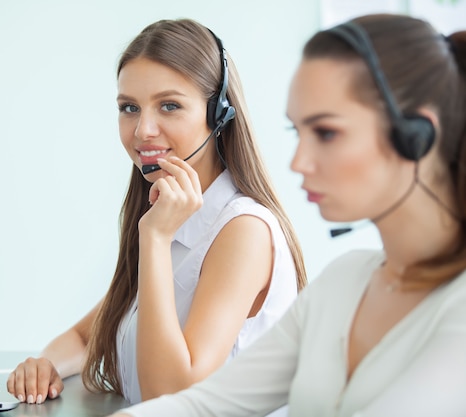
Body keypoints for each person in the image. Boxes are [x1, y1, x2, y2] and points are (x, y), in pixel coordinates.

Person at [108, 13, 466, 417]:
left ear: (417, 136)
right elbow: (197, 405)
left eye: (326, 132)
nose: (298, 162)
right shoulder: (344, 282)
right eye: (297, 132)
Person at [7, 19, 306, 406]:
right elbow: (87, 337)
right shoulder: (171, 217)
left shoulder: (243, 230)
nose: (143, 129)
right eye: (129, 107)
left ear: (218, 114)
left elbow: (172, 398)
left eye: (169, 105)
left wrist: (154, 239)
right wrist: (44, 364)